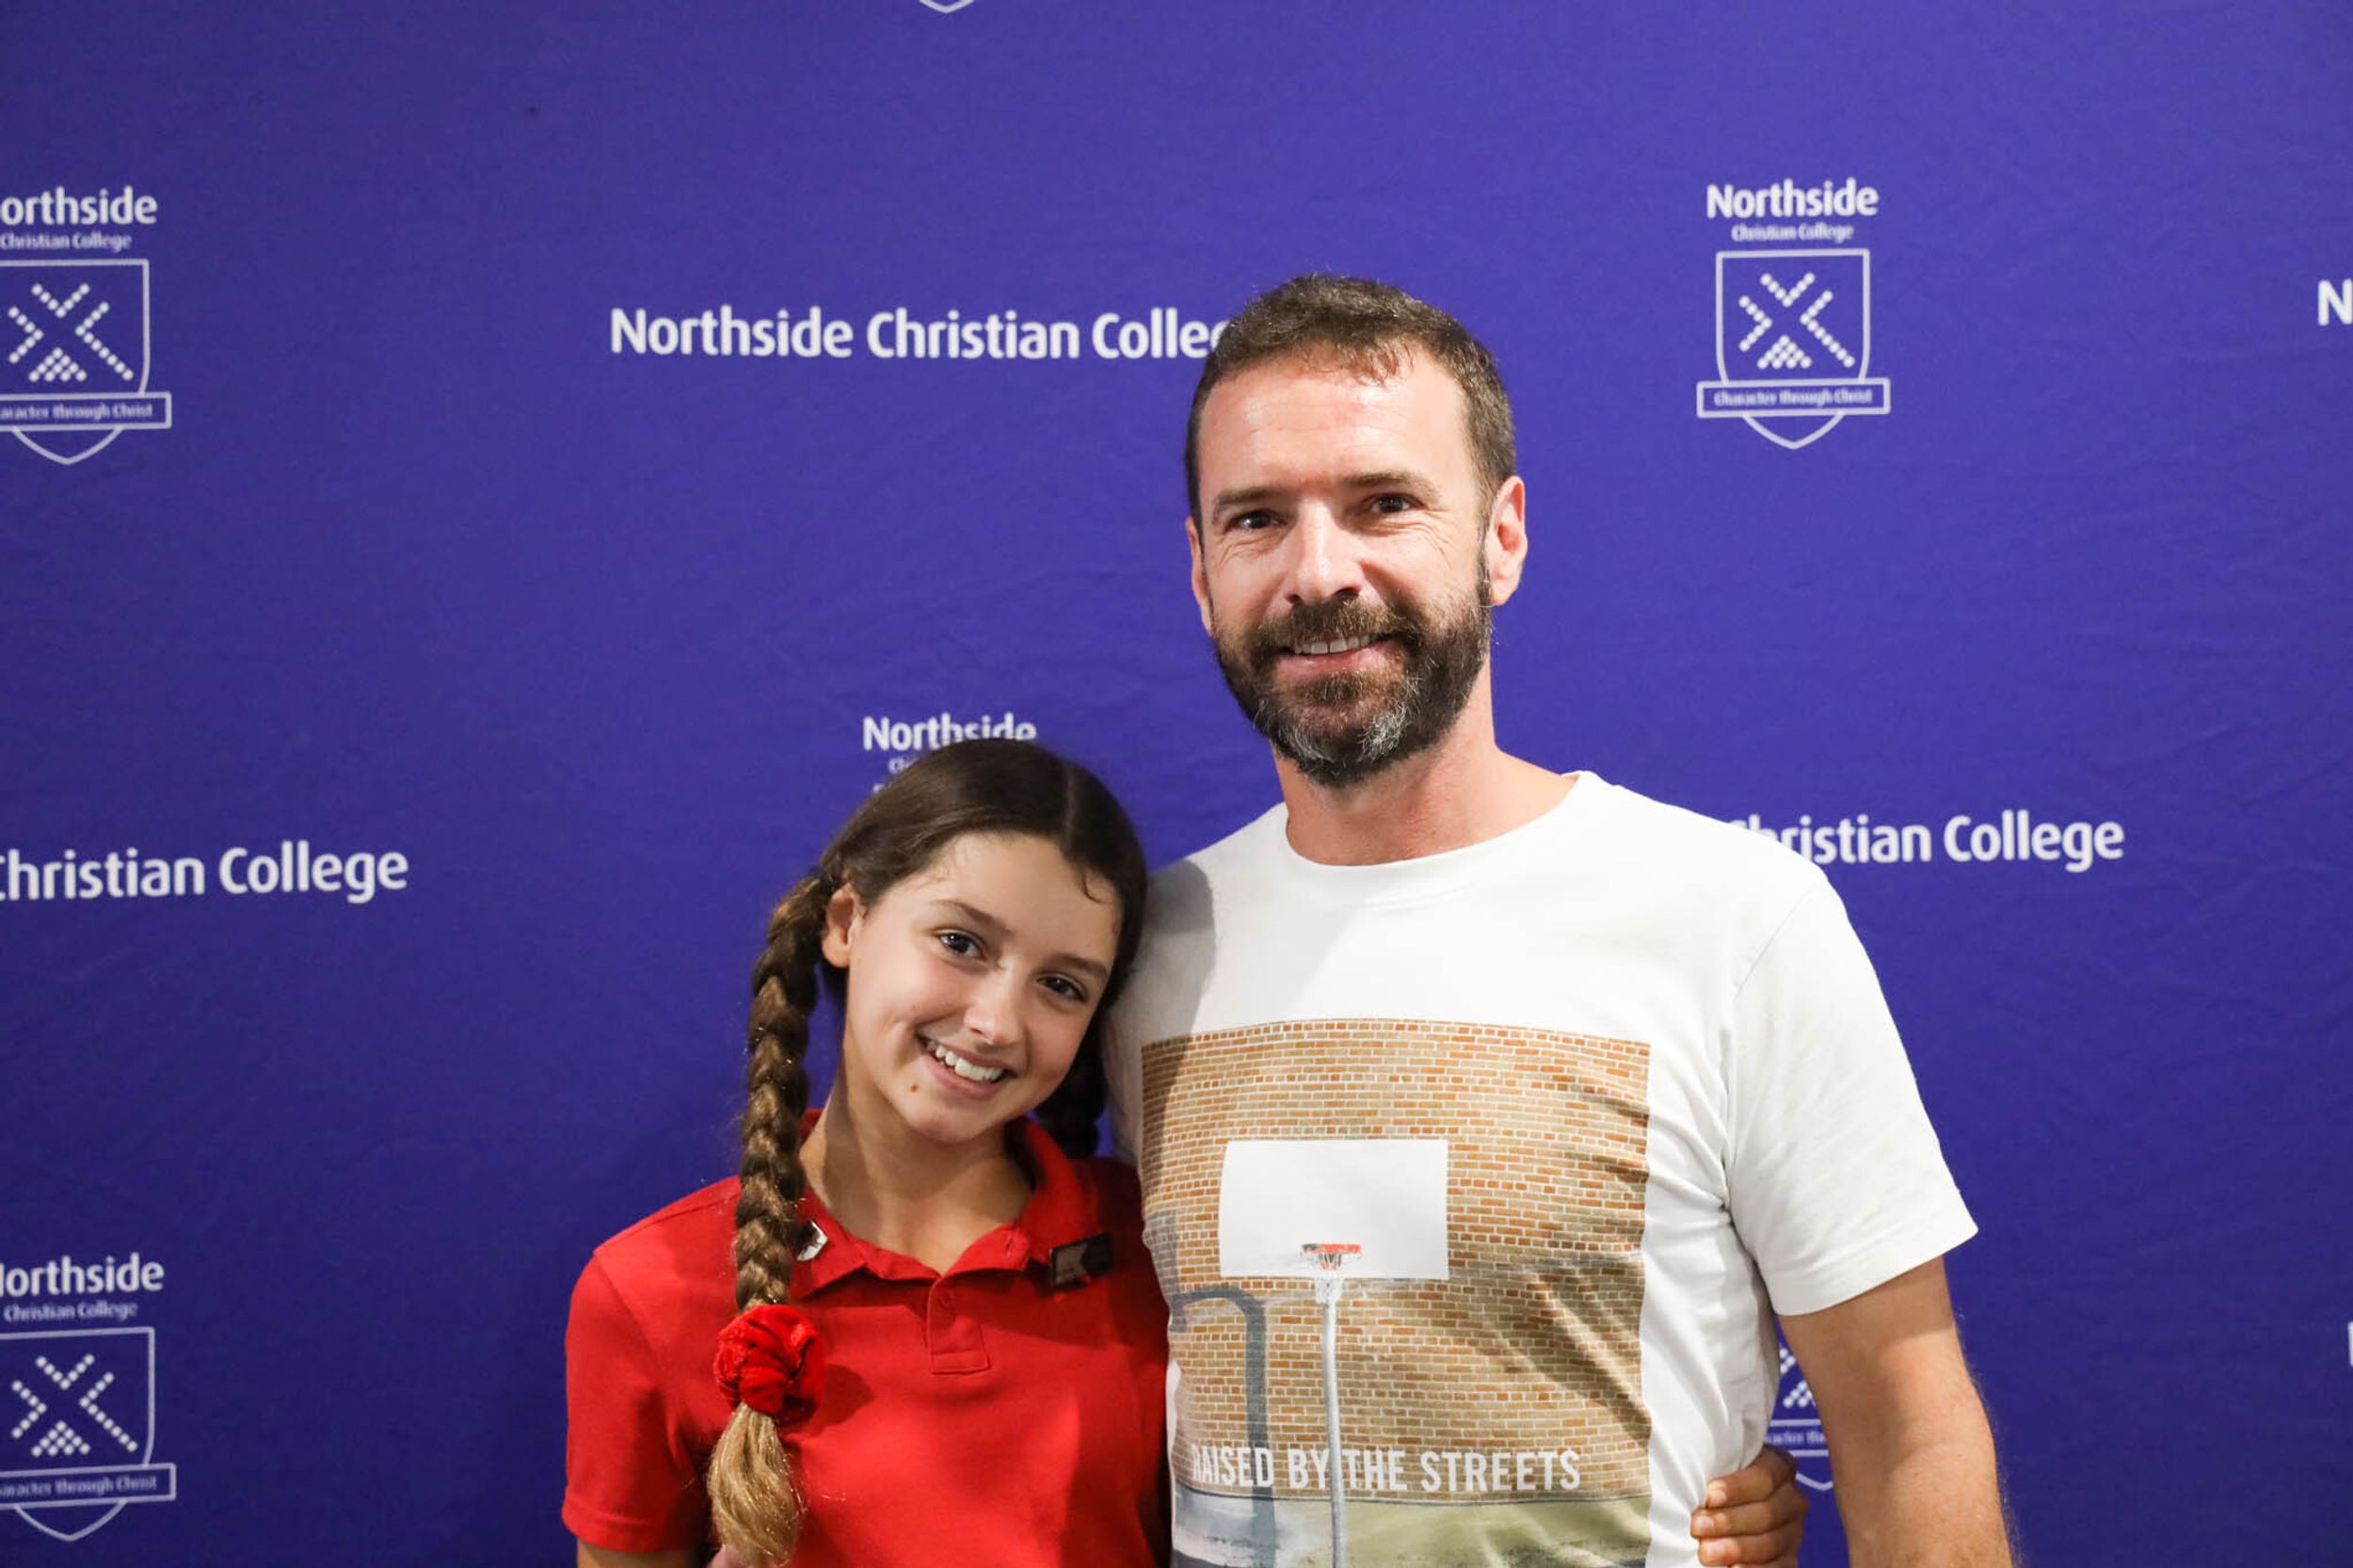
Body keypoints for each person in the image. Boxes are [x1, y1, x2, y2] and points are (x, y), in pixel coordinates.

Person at [1107, 276, 2010, 1568]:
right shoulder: (1141, 954)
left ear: (1503, 538)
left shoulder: (1732, 920)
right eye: (1258, 518)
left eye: (1384, 504)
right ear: (1202, 573)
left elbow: (1906, 1429)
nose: (1320, 571)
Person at [564, 739, 1813, 1567]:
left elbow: (1395, 1422)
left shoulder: (1162, 1238)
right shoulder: (648, 1288)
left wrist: (1692, 1480)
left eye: (1062, 983)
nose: (994, 1021)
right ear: (848, 920)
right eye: (960, 942)